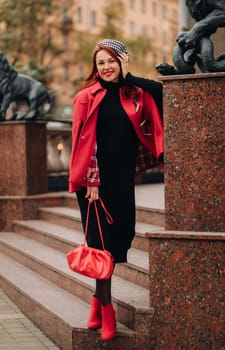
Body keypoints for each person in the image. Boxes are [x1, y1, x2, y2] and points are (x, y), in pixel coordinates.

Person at [69, 38, 163, 341]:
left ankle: (97, 304)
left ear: (122, 62)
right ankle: (106, 310)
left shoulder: (134, 93)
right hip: (93, 186)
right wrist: (93, 182)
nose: (106, 67)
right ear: (94, 67)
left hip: (122, 182)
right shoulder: (85, 97)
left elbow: (163, 93)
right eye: (101, 62)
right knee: (101, 247)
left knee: (117, 244)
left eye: (112, 61)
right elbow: (83, 143)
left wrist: (129, 75)